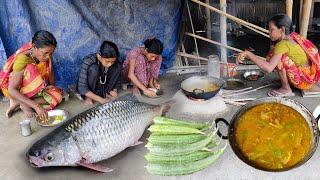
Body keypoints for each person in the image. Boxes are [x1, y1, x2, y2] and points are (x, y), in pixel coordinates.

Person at [237, 14, 320, 97]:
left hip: (304, 82)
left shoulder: (282, 45)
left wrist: (249, 54)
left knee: (280, 59)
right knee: (274, 54)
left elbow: (269, 68)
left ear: (282, 30)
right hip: (311, 76)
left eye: (271, 30)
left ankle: (286, 88)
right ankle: (286, 82)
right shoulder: (293, 36)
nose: (269, 33)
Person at [0, 30, 63, 119]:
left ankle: (21, 103)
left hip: (34, 89)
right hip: (15, 89)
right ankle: (22, 101)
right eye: (45, 53)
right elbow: (12, 89)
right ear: (34, 47)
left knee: (58, 95)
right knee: (31, 69)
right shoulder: (22, 59)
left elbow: (50, 73)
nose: (48, 56)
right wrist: (37, 106)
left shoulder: (45, 54)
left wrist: (52, 89)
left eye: (51, 53)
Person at [77, 41, 121, 105]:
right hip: (92, 88)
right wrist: (101, 100)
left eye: (112, 61)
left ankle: (106, 92)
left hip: (103, 87)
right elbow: (81, 87)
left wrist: (114, 89)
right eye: (107, 61)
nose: (110, 64)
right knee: (94, 69)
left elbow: (119, 78)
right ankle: (88, 97)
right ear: (99, 56)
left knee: (118, 66)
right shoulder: (88, 61)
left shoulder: (113, 62)